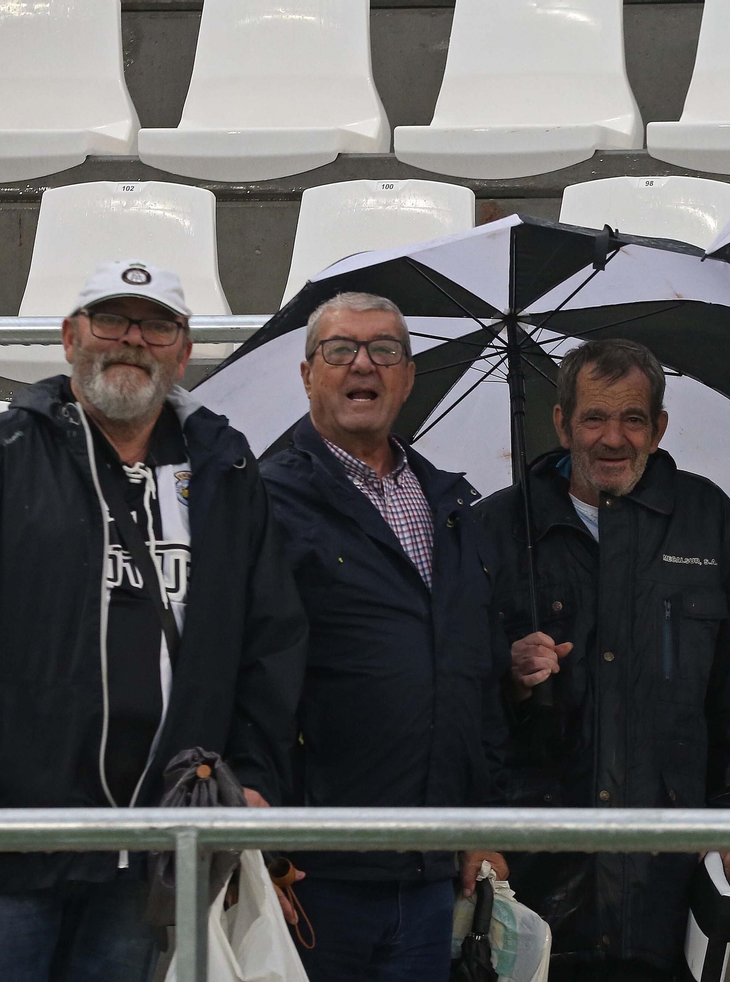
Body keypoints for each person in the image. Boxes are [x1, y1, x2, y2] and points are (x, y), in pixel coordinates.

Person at [0, 260, 308, 982]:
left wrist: (254, 776)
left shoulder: (225, 472)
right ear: (71, 337)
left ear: (183, 353)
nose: (132, 339)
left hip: (146, 857)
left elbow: (271, 639)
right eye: (111, 320)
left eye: (156, 326)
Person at [476, 338, 730, 982]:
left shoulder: (709, 520)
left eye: (633, 419)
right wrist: (507, 674)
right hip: (534, 872)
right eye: (594, 417)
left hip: (668, 876)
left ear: (659, 427)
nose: (613, 438)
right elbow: (455, 704)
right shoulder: (495, 530)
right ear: (562, 424)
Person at [260, 291, 512, 982]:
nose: (363, 364)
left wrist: (481, 826)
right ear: (308, 374)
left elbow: (476, 682)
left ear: (407, 376)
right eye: (340, 349)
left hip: (432, 872)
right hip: (313, 871)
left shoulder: (452, 506)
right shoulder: (266, 501)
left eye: (385, 350)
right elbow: (240, 680)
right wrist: (261, 844)